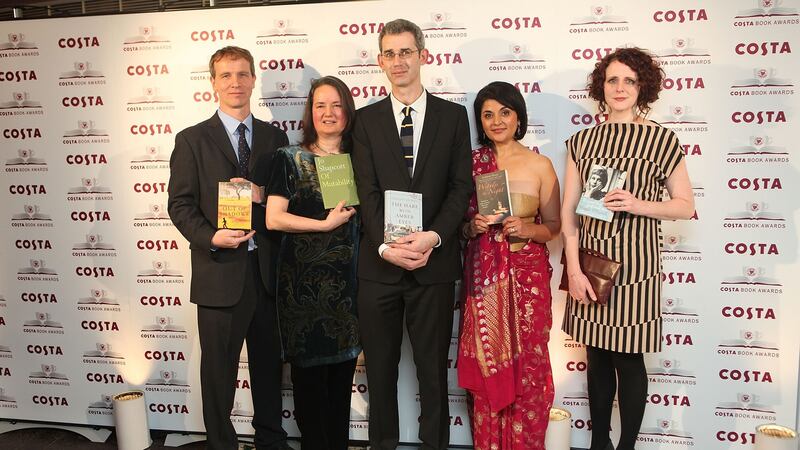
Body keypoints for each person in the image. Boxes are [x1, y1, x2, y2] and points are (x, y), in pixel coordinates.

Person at [561, 47, 694, 450]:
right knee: (597, 357)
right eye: (612, 80)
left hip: (637, 268)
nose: (620, 88)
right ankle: (599, 442)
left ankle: (626, 447)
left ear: (643, 87)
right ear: (601, 86)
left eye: (629, 81)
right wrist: (573, 270)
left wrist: (640, 204)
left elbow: (686, 206)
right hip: (591, 266)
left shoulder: (662, 139)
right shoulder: (581, 141)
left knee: (629, 360)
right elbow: (568, 211)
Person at [350, 18, 472, 450]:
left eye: (406, 51)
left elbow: (460, 188)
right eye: (389, 53)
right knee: (379, 371)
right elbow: (365, 192)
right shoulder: (363, 122)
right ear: (380, 60)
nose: (398, 61)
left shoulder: (454, 117)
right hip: (378, 268)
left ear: (423, 55)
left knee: (432, 371)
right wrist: (385, 246)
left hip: (432, 266)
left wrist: (434, 237)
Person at [167, 46, 289, 450]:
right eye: (226, 76)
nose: (235, 83)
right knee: (218, 372)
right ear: (213, 83)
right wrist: (209, 237)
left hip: (268, 273)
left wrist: (263, 193)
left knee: (269, 367)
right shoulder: (191, 140)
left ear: (254, 79)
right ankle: (222, 443)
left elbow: (287, 196)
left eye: (242, 74)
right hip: (219, 270)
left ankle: (271, 439)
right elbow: (180, 204)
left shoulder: (276, 137)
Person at [458, 81, 561, 449]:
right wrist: (473, 226)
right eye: (487, 114)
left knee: (528, 366)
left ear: (519, 117)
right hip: (485, 283)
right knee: (490, 365)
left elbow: (553, 226)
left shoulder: (540, 165)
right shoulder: (470, 164)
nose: (496, 121)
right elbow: (458, 223)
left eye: (504, 112)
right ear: (480, 122)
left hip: (527, 281)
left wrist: (527, 227)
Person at [265, 76, 360, 450]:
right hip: (302, 295)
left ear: (347, 111)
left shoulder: (360, 160)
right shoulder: (289, 158)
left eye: (336, 105)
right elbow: (274, 218)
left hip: (349, 293)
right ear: (310, 112)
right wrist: (323, 224)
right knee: (309, 391)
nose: (328, 113)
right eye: (320, 105)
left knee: (339, 389)